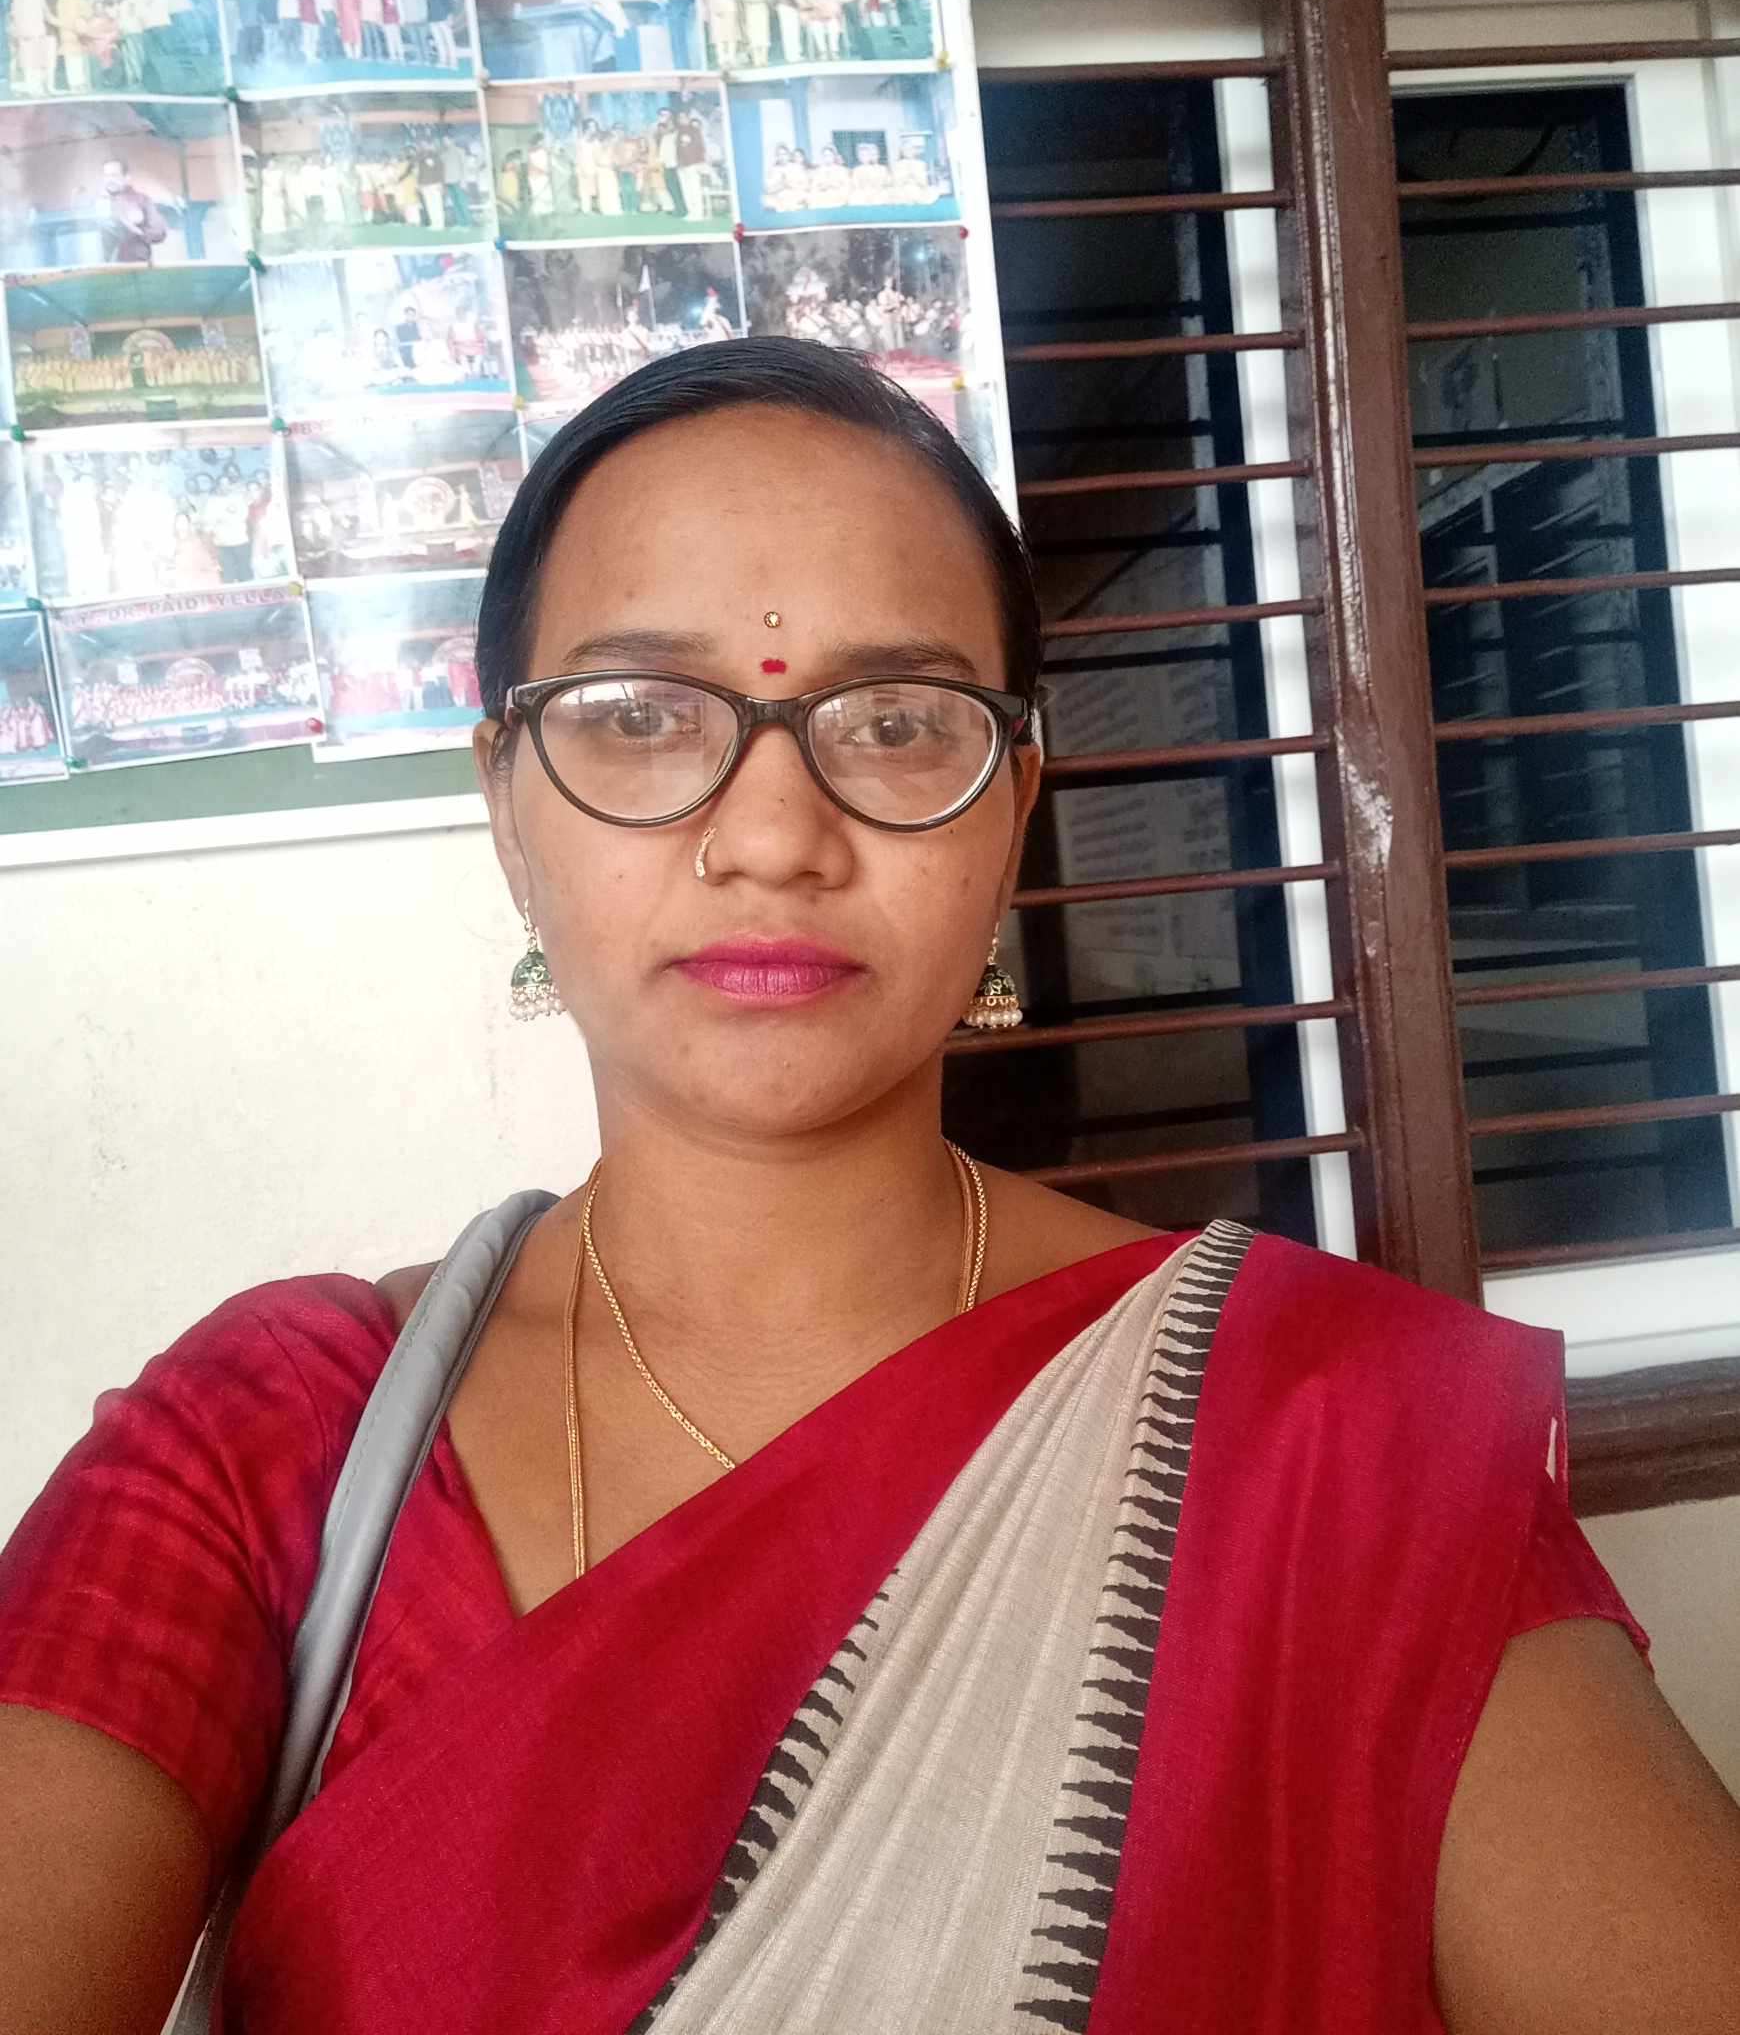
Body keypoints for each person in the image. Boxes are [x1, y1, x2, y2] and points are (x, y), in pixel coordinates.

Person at [2, 339, 1738, 2030]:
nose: (773, 834)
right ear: (509, 806)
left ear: (1012, 807)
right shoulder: (270, 1452)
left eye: (897, 721)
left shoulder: (1326, 1441)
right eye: (637, 715)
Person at [99, 158, 168, 266]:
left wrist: (135, 229)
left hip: (138, 267)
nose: (110, 180)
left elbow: (159, 233)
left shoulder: (142, 200)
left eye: (114, 175)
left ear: (126, 177)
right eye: (106, 176)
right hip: (106, 269)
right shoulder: (98, 203)